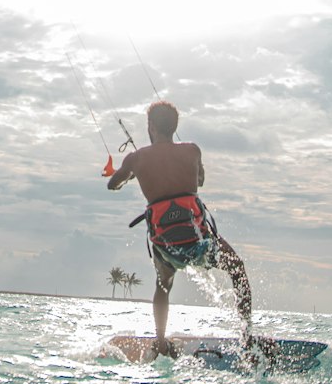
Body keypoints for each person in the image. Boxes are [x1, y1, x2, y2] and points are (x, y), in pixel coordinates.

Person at [106, 100, 254, 357]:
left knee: (163, 285)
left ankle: (161, 341)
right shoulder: (192, 151)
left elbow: (112, 185)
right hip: (198, 241)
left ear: (151, 126)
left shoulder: (136, 158)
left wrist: (131, 173)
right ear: (174, 127)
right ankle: (247, 337)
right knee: (237, 269)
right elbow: (201, 180)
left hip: (166, 246)